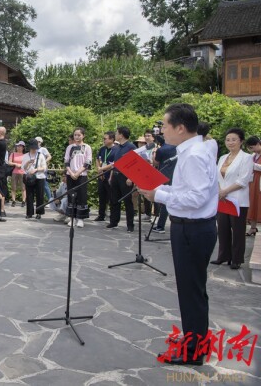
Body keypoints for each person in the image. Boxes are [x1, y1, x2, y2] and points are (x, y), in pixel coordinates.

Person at [139, 103, 218, 366]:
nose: (161, 130)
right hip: (191, 227)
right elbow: (189, 190)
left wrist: (158, 194)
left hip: (193, 229)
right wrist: (162, 191)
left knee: (191, 290)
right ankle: (194, 339)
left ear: (180, 128)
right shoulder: (194, 149)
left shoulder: (194, 154)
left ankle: (194, 351)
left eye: (164, 125)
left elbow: (196, 198)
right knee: (192, 288)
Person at [211, 128, 253, 270]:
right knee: (222, 229)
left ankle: (236, 259)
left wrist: (225, 191)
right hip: (222, 199)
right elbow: (217, 177)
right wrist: (219, 192)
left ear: (241, 141)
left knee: (238, 230)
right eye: (228, 139)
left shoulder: (246, 158)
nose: (230, 142)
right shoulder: (223, 157)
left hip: (237, 199)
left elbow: (243, 180)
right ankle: (223, 256)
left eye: (234, 139)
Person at [108, 126, 137, 232]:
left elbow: (134, 163)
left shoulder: (131, 147)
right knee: (114, 199)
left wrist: (131, 177)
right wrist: (111, 176)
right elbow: (114, 164)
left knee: (127, 200)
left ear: (121, 135)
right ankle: (114, 221)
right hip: (115, 175)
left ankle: (130, 225)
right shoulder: (117, 147)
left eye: (117, 133)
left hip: (125, 177)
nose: (115, 135)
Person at [64, 128, 92, 227]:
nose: (77, 137)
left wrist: (78, 172)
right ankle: (72, 218)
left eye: (79, 135)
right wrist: (71, 173)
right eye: (75, 135)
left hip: (82, 175)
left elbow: (88, 162)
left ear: (83, 135)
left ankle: (80, 218)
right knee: (71, 196)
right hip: (70, 174)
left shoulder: (87, 147)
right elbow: (66, 161)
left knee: (81, 196)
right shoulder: (69, 147)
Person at [95, 131, 117, 222]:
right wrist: (99, 169)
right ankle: (101, 215)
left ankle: (113, 217)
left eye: (105, 138)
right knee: (102, 196)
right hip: (102, 176)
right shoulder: (102, 149)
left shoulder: (116, 149)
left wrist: (103, 168)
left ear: (111, 139)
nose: (104, 140)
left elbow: (115, 164)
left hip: (110, 176)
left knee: (112, 197)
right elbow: (97, 159)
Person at [22, 139, 47, 220]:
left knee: (40, 195)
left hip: (40, 177)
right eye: (32, 148)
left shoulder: (41, 155)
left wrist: (36, 169)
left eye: (35, 148)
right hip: (29, 177)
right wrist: (28, 162)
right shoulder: (25, 156)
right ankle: (29, 213)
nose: (34, 149)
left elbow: (44, 168)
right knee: (29, 195)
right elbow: (23, 168)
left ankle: (39, 213)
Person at [245, 136, 261, 236]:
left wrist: (253, 165)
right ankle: (253, 228)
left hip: (259, 182)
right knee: (254, 204)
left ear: (258, 144)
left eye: (252, 147)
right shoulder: (254, 155)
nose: (252, 150)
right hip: (253, 182)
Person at [9, 141, 26, 208]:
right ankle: (13, 200)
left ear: (23, 148)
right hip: (15, 172)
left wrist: (21, 165)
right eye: (18, 146)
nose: (19, 147)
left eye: (20, 146)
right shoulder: (13, 154)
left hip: (22, 172)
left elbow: (27, 164)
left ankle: (23, 201)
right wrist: (15, 164)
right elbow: (9, 162)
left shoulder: (25, 155)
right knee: (13, 187)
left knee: (23, 187)